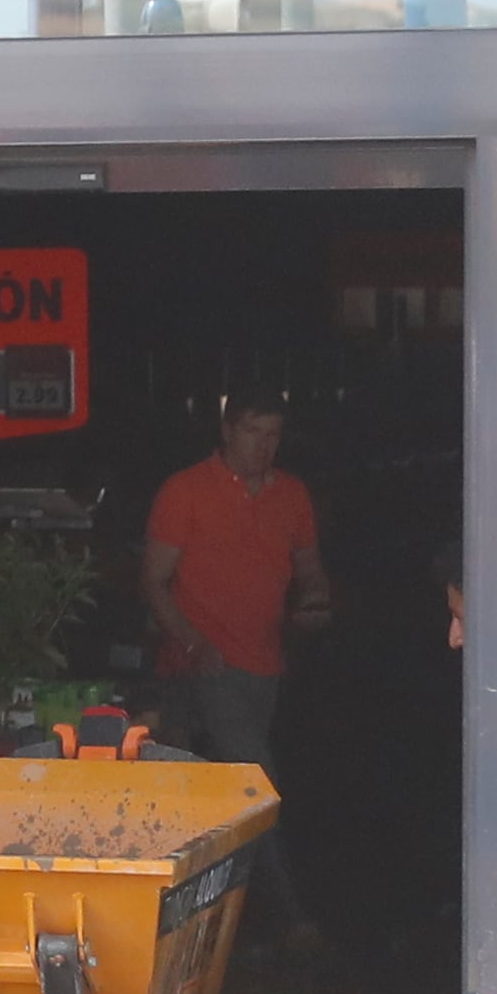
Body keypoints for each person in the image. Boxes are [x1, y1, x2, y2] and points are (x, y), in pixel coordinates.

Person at [142, 390, 329, 947]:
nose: (263, 445)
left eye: (272, 434)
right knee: (254, 781)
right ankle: (289, 913)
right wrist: (193, 643)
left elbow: (310, 570)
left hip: (263, 664)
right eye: (252, 432)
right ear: (227, 430)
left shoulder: (291, 495)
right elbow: (153, 581)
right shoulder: (186, 490)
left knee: (208, 790)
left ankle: (203, 912)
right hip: (201, 664)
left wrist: (316, 602)